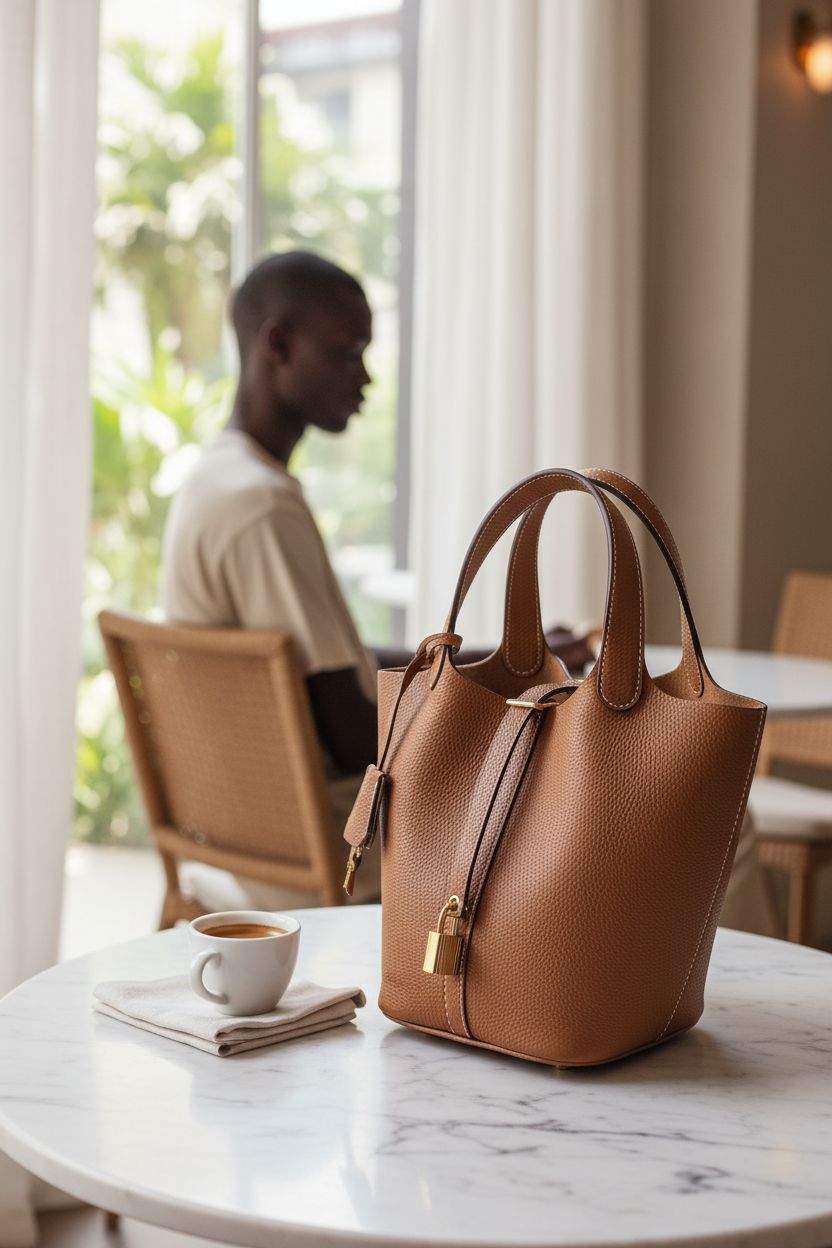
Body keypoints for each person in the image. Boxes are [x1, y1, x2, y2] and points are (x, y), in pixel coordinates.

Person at [161, 250, 590, 906]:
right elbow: (353, 730)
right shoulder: (263, 506)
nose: (363, 377)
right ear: (277, 344)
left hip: (249, 840)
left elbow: (335, 667)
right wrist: (510, 711)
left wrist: (505, 659)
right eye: (345, 351)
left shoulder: (215, 482)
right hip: (345, 842)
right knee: (674, 814)